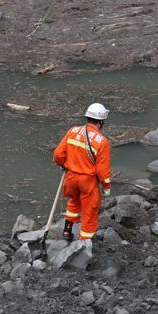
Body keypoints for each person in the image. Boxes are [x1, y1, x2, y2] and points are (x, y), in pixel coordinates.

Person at [52, 102, 112, 242]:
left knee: (74, 202)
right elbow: (103, 169)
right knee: (90, 210)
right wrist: (106, 186)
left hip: (71, 177)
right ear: (101, 121)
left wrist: (63, 165)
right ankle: (85, 242)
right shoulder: (101, 141)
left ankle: (67, 230)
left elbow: (58, 154)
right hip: (87, 181)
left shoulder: (73, 131)